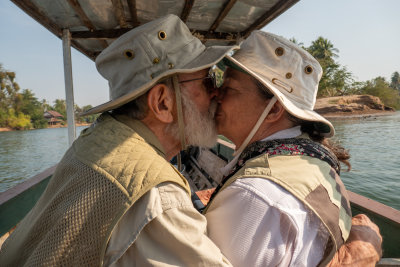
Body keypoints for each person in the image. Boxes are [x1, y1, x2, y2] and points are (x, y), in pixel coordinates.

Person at [0, 14, 236, 267]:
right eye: (207, 80)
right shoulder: (157, 197)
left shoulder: (97, 136)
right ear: (163, 103)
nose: (217, 92)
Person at [203, 31, 382, 266]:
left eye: (229, 89)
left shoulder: (254, 196)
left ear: (274, 110)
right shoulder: (310, 160)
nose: (215, 94)